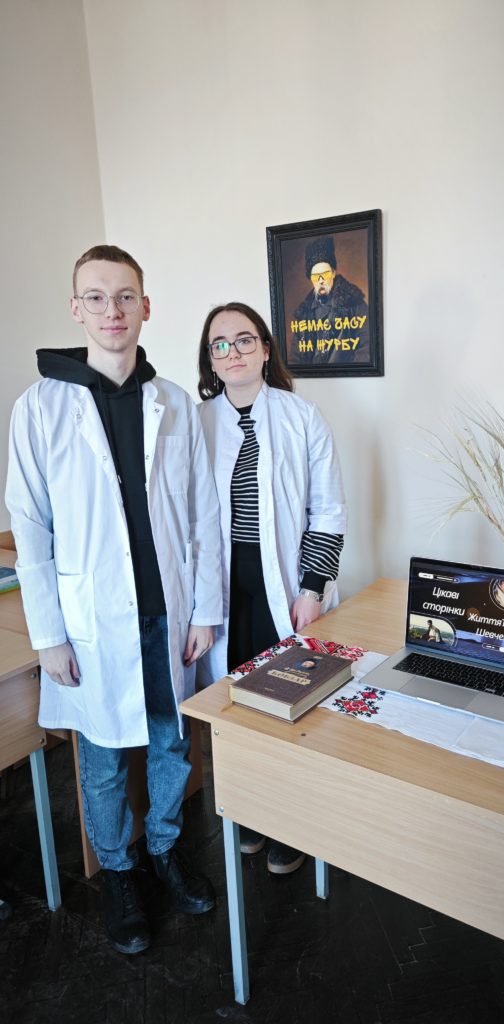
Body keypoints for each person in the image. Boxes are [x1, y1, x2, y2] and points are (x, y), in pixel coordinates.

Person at [5, 245, 223, 955]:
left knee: (170, 740)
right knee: (101, 758)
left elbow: (202, 514)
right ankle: (120, 873)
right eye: (96, 297)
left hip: (167, 610)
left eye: (125, 296)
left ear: (146, 307)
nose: (112, 310)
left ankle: (163, 846)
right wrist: (48, 635)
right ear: (76, 309)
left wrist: (205, 610)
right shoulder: (40, 408)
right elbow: (31, 529)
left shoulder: (173, 402)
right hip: (91, 618)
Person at [196, 301, 347, 874]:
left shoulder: (301, 416)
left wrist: (312, 588)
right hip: (221, 588)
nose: (232, 351)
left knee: (289, 701)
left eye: (244, 339)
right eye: (220, 344)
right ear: (211, 359)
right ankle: (251, 812)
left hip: (285, 586)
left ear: (264, 349)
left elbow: (328, 510)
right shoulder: (197, 421)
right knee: (237, 704)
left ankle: (292, 822)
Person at [291, 235, 370, 365]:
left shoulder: (354, 304)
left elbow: (366, 348)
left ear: (333, 273)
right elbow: (295, 359)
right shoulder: (303, 313)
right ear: (310, 278)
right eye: (316, 276)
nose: (321, 280)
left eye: (325, 274)